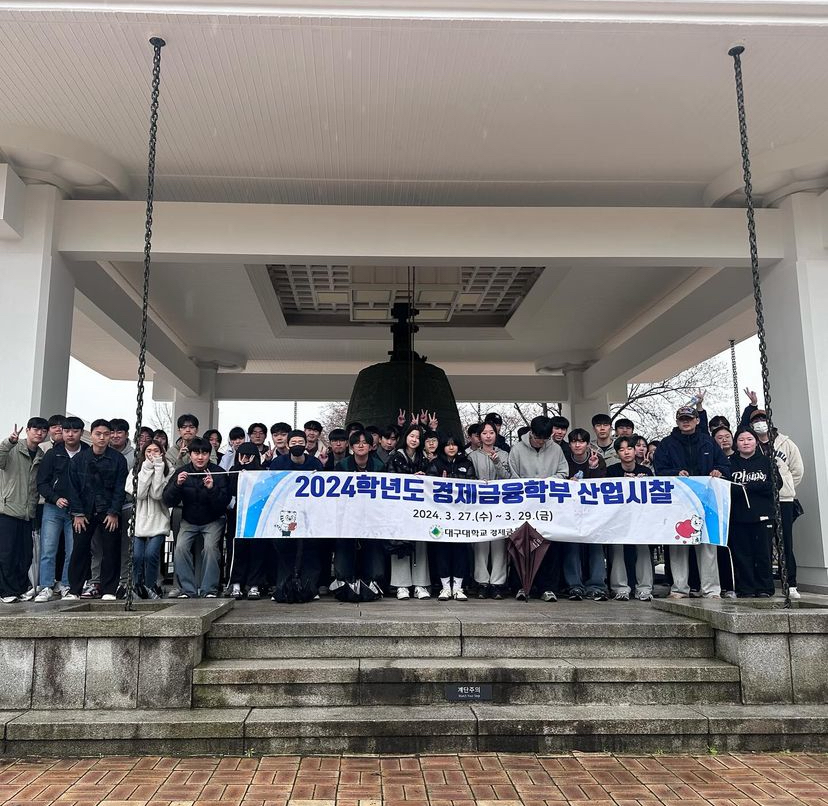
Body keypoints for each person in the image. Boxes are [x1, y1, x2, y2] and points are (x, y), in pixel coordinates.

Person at [653, 405, 730, 599]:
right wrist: (675, 473)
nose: (686, 422)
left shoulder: (708, 442)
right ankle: (679, 588)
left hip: (707, 501)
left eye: (689, 419)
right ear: (677, 422)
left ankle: (711, 590)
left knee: (708, 544)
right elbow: (659, 469)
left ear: (697, 420)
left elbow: (725, 465)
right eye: (682, 419)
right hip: (678, 502)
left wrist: (719, 471)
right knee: (678, 544)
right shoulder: (667, 444)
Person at [507, 416, 569, 601]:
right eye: (537, 438)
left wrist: (548, 482)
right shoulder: (517, 449)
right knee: (522, 544)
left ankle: (547, 587)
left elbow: (563, 472)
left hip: (548, 505)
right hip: (524, 505)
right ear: (531, 433)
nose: (541, 442)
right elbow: (512, 476)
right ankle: (520, 585)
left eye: (545, 439)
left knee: (548, 545)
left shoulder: (556, 449)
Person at [66, 419, 128, 601]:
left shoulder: (118, 460)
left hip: (108, 511)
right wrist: (77, 513)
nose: (102, 438)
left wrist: (114, 512)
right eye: (98, 434)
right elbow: (72, 488)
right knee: (79, 550)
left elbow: (120, 488)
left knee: (111, 550)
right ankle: (74, 590)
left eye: (106, 434)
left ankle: (109, 589)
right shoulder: (79, 460)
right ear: (91, 435)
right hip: (84, 511)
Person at [162, 436, 230, 598]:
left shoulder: (218, 472)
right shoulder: (181, 471)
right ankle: (187, 590)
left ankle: (209, 590)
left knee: (211, 549)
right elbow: (168, 500)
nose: (200, 457)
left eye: (204, 453)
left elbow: (223, 503)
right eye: (196, 453)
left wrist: (212, 488)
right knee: (180, 549)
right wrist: (177, 485)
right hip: (189, 520)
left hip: (213, 519)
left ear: (209, 455)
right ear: (190, 454)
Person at [748, 409, 805, 599]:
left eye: (762, 418)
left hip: (783, 500)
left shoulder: (786, 443)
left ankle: (791, 583)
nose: (760, 422)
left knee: (785, 542)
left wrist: (785, 487)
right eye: (756, 420)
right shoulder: (751, 444)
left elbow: (797, 470)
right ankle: (763, 583)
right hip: (760, 501)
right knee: (762, 542)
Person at [35, 416, 87, 601]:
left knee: (73, 550)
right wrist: (55, 498)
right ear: (61, 432)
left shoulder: (87, 453)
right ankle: (46, 586)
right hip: (53, 508)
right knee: (48, 549)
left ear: (81, 432)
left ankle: (67, 584)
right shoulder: (52, 454)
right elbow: (42, 483)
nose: (70, 434)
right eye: (66, 431)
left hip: (78, 511)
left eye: (74, 431)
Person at [268, 431, 323, 603]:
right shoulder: (278, 463)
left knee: (310, 549)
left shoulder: (314, 463)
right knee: (285, 549)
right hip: (285, 513)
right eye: (293, 442)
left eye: (300, 442)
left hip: (309, 513)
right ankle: (283, 587)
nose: (297, 445)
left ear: (306, 444)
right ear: (288, 444)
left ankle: (309, 587)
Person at [331, 429, 387, 598]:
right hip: (347, 516)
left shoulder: (379, 466)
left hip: (372, 515)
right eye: (357, 443)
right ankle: (343, 580)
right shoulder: (342, 466)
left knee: (373, 549)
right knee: (344, 548)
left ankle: (373, 582)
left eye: (364, 442)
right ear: (351, 446)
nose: (361, 446)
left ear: (371, 446)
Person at [0, 418, 47, 603]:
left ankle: (19, 588)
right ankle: (5, 591)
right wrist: (9, 441)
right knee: (7, 554)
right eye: (35, 429)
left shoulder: (41, 455)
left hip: (29, 512)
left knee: (26, 554)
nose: (39, 433)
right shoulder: (13, 448)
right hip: (8, 509)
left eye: (43, 430)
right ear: (27, 430)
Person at [729, 428, 779, 598]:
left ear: (756, 442)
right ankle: (746, 588)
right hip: (738, 517)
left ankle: (765, 587)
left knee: (763, 553)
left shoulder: (767, 462)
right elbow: (727, 488)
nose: (745, 443)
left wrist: (750, 487)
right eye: (741, 440)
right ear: (736, 444)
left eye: (749, 439)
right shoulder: (730, 463)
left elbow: (775, 485)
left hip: (763, 515)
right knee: (742, 554)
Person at [605, 435, 655, 602]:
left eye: (629, 448)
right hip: (618, 519)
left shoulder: (646, 472)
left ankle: (644, 588)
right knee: (617, 549)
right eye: (621, 449)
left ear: (635, 451)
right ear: (617, 453)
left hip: (641, 518)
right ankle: (620, 588)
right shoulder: (611, 471)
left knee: (643, 549)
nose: (626, 452)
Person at [427, 433, 476, 601]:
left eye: (454, 444)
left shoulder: (466, 463)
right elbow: (429, 487)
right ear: (443, 447)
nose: (451, 447)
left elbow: (472, 484)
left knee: (460, 550)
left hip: (461, 515)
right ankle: (445, 587)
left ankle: (458, 587)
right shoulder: (435, 464)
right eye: (447, 444)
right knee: (442, 550)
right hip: (440, 515)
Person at [385, 424, 431, 600]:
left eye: (418, 437)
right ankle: (401, 585)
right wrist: (411, 478)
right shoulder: (395, 457)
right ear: (405, 437)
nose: (414, 440)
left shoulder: (424, 458)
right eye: (412, 436)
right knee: (400, 545)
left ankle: (420, 584)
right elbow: (391, 480)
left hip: (420, 508)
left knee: (420, 544)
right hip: (399, 508)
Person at [564, 428, 609, 601]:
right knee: (572, 547)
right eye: (574, 441)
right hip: (570, 513)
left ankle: (597, 585)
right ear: (569, 444)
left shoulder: (597, 459)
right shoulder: (564, 459)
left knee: (595, 547)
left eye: (581, 441)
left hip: (593, 513)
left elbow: (601, 485)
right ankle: (574, 585)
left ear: (588, 444)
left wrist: (593, 467)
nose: (577, 445)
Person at [468, 422, 512, 599]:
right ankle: (482, 582)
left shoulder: (505, 454)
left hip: (500, 505)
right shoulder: (472, 456)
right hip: (479, 505)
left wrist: (497, 463)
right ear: (479, 436)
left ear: (496, 434)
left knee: (499, 542)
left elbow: (509, 477)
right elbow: (468, 478)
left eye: (491, 432)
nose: (488, 436)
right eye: (484, 433)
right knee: (481, 543)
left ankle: (497, 583)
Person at [226, 442, 268, 600]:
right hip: (237, 518)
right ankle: (236, 583)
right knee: (238, 550)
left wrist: (250, 469)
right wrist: (241, 469)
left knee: (258, 551)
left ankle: (254, 584)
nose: (244, 458)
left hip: (257, 518)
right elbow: (230, 490)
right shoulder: (233, 471)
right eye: (241, 455)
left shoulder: (263, 472)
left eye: (248, 456)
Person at [134, 440, 172, 599]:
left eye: (156, 450)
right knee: (136, 556)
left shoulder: (169, 470)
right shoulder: (136, 469)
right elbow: (140, 493)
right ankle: (136, 586)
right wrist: (147, 468)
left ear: (162, 452)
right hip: (139, 520)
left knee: (151, 554)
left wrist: (158, 468)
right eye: (148, 451)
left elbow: (157, 494)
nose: (152, 454)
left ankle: (150, 586)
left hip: (159, 520)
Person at [711, 425, 737, 598]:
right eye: (719, 437)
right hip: (716, 509)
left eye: (727, 436)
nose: (724, 440)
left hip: (736, 509)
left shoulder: (738, 458)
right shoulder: (710, 459)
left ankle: (735, 585)